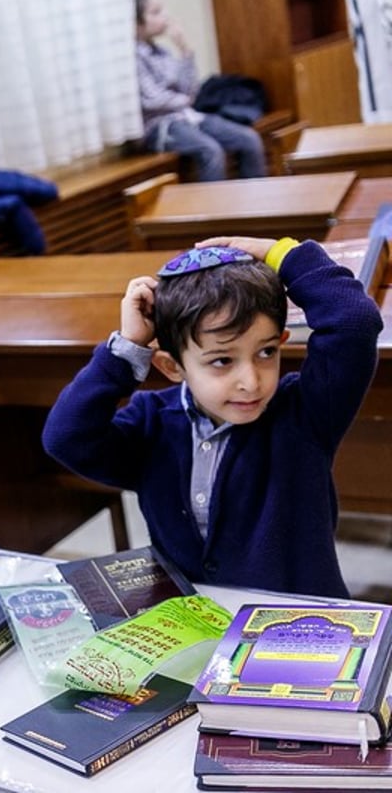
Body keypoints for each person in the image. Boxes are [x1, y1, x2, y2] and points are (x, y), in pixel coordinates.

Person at [41, 237, 383, 598]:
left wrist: (281, 254)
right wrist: (127, 350)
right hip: (197, 628)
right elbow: (66, 437)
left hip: (297, 629)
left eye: (266, 352)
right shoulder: (151, 423)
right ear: (172, 366)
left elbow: (354, 322)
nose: (251, 382)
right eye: (222, 360)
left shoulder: (304, 413)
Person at [135, 0, 267, 181]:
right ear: (137, 23)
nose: (165, 15)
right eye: (156, 12)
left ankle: (260, 205)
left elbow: (191, 89)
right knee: (210, 151)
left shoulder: (162, 52)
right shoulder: (134, 57)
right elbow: (152, 99)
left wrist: (184, 49)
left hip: (188, 116)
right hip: (160, 126)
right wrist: (184, 100)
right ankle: (214, 210)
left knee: (249, 139)